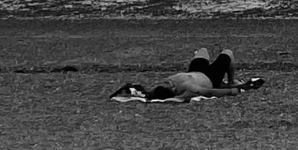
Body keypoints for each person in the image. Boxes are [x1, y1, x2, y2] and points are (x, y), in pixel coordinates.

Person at [111, 48, 264, 102]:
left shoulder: (156, 89)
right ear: (173, 90)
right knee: (228, 54)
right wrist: (234, 90)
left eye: (165, 82)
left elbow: (136, 89)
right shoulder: (187, 87)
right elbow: (209, 92)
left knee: (202, 51)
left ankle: (229, 80)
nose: (168, 81)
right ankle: (231, 81)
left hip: (195, 70)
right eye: (169, 84)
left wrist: (126, 91)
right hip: (211, 78)